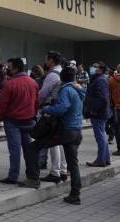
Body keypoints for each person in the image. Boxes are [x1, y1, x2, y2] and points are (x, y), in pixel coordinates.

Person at [21, 67, 85, 205]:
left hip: (66, 131)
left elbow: (62, 107)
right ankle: (75, 193)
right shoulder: (78, 90)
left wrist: (46, 109)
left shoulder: (66, 90)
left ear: (61, 78)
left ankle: (33, 179)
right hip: (77, 131)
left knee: (33, 147)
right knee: (73, 163)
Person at [0, 58, 38, 184]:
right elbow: (37, 102)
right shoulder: (33, 82)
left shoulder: (10, 84)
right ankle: (32, 175)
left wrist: (2, 117)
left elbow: (3, 104)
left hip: (13, 121)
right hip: (29, 120)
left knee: (15, 150)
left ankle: (13, 176)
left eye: (9, 67)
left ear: (15, 68)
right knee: (29, 149)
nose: (7, 69)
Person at [38, 51, 67, 183]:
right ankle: (63, 169)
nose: (45, 62)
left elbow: (43, 94)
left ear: (51, 61)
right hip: (62, 110)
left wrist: (39, 105)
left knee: (53, 142)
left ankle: (55, 172)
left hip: (51, 109)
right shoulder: (64, 73)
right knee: (60, 142)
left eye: (46, 59)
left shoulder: (52, 75)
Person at [85, 62, 112, 167]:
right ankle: (105, 159)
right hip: (101, 112)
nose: (93, 68)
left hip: (99, 113)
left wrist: (93, 110)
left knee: (100, 137)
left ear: (101, 69)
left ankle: (101, 160)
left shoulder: (100, 80)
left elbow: (102, 98)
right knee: (102, 136)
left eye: (96, 67)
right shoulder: (99, 79)